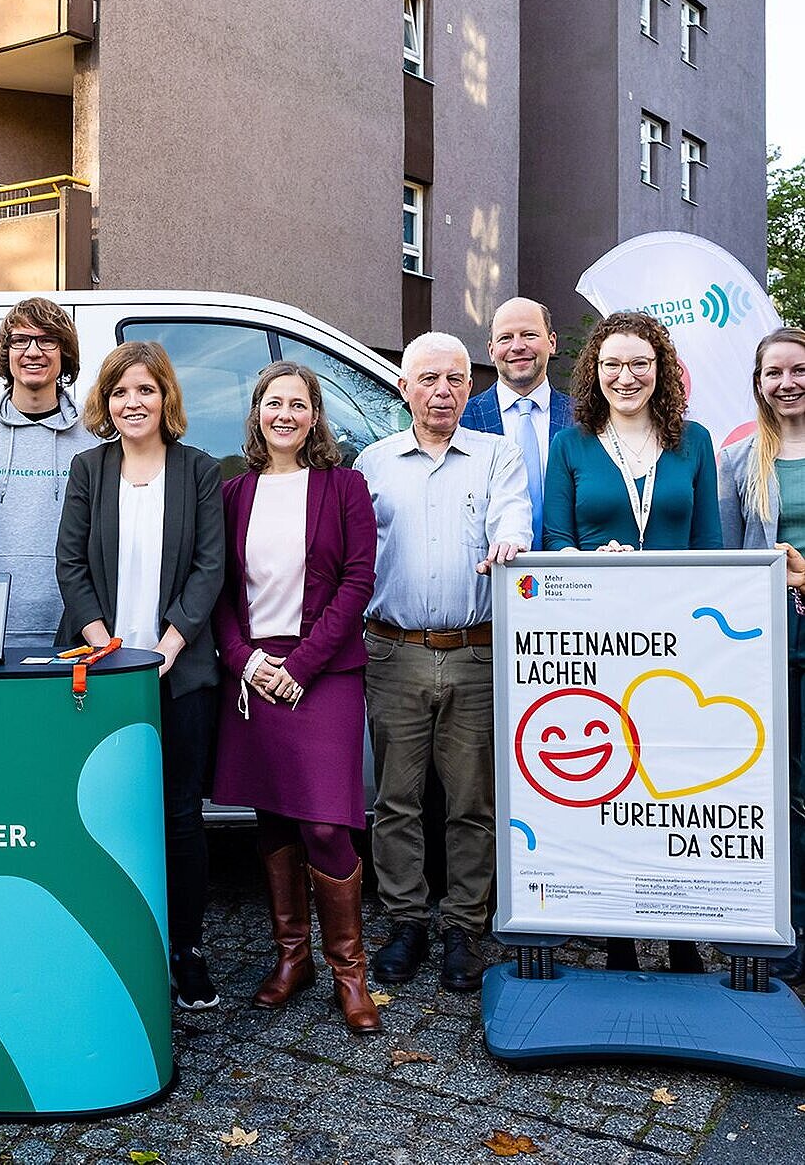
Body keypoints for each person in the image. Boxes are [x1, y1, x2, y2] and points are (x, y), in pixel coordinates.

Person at [544, 309, 721, 972]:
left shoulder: (694, 442)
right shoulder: (573, 444)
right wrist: (593, 562)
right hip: (602, 639)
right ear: (594, 370)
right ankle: (618, 934)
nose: (627, 375)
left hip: (680, 640)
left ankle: (677, 935)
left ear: (661, 372)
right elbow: (555, 541)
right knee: (613, 785)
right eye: (613, 364)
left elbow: (710, 544)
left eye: (640, 363)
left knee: (670, 781)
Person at [355, 332, 531, 991]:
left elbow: (513, 519)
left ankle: (463, 927)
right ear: (403, 389)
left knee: (472, 801)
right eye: (428, 379)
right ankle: (406, 923)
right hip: (393, 651)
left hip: (474, 651)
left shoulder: (497, 455)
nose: (443, 391)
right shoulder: (372, 463)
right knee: (395, 799)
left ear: (469, 387)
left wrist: (509, 542)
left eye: (456, 379)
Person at [210, 362, 381, 1031]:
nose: (285, 413)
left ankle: (349, 970)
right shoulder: (232, 494)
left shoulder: (345, 487)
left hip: (326, 670)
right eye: (273, 402)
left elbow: (357, 582)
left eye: (298, 404)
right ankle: (292, 959)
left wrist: (302, 666)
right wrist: (245, 660)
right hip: (253, 673)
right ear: (257, 414)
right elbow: (217, 591)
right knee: (275, 818)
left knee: (324, 823)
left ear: (315, 417)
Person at [55, 341, 225, 1008]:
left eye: (146, 391)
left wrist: (168, 645)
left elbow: (211, 568)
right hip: (99, 675)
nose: (133, 403)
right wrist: (109, 648)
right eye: (121, 391)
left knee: (180, 816)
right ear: (106, 400)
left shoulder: (199, 472)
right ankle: (111, 943)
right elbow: (69, 565)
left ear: (166, 399)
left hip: (179, 675)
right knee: (102, 814)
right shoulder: (87, 469)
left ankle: (186, 950)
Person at [719, 327, 805, 984]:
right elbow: (723, 558)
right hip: (767, 639)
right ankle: (783, 924)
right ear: (758, 383)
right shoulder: (743, 459)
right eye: (773, 373)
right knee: (774, 780)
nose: (787, 383)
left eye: (798, 370)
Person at [0, 298, 93, 642]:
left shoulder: (94, 438)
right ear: (7, 352)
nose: (34, 351)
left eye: (48, 340)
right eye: (20, 340)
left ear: (65, 353)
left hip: (77, 630)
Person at [460, 297, 575, 541]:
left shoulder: (585, 419)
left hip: (570, 571)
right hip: (489, 572)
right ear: (491, 351)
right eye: (505, 338)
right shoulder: (463, 420)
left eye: (529, 335)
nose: (518, 346)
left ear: (552, 342)